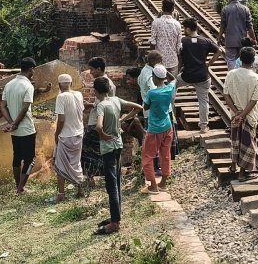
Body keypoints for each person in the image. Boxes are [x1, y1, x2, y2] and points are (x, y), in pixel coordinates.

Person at [93, 76, 143, 235]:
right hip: (118, 145)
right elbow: (138, 107)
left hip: (108, 148)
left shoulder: (101, 106)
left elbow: (99, 125)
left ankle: (114, 223)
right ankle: (116, 216)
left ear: (95, 91)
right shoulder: (116, 100)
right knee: (117, 182)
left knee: (111, 185)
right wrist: (122, 118)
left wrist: (101, 133)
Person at [176, 18, 222, 134]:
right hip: (203, 76)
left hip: (187, 76)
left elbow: (179, 57)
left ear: (187, 28)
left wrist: (178, 70)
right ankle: (203, 127)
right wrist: (209, 64)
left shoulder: (183, 41)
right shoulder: (205, 41)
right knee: (203, 101)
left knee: (171, 86)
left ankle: (169, 113)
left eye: (184, 28)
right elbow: (219, 51)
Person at [0, 57, 37, 195]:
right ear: (31, 69)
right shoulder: (28, 86)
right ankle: (20, 188)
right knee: (30, 160)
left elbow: (2, 106)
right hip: (26, 129)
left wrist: (11, 123)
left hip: (15, 131)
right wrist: (15, 123)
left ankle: (18, 186)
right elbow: (25, 109)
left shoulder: (9, 85)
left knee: (17, 158)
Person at [224, 47, 258, 182]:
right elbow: (254, 100)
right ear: (253, 61)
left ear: (240, 59)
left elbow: (226, 95)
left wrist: (236, 112)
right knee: (247, 143)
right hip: (249, 116)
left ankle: (233, 165)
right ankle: (241, 174)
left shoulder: (231, 74)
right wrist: (243, 114)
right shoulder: (256, 78)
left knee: (235, 140)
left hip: (235, 115)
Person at [142, 65, 176, 194]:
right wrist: (165, 72)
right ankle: (163, 183)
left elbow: (145, 107)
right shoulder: (169, 89)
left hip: (155, 129)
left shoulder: (152, 93)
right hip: (168, 126)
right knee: (165, 154)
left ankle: (153, 186)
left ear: (155, 77)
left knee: (147, 156)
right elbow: (173, 79)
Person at [52, 73, 86, 202]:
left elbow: (61, 120)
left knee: (60, 165)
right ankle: (80, 190)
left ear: (59, 84)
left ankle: (61, 194)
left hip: (66, 135)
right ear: (71, 83)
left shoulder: (61, 97)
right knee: (76, 162)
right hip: (79, 133)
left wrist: (56, 134)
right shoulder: (79, 94)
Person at [219, 0, 257, 70]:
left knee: (231, 60)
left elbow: (222, 26)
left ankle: (232, 76)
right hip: (242, 40)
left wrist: (219, 38)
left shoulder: (225, 9)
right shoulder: (245, 9)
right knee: (241, 59)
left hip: (230, 40)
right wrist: (254, 39)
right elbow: (250, 26)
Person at [150, 0, 182, 73]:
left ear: (162, 8)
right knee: (172, 83)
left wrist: (151, 60)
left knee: (158, 83)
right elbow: (179, 46)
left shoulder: (156, 22)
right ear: (173, 9)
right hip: (173, 61)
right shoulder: (177, 24)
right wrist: (180, 62)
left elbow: (153, 42)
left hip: (159, 61)